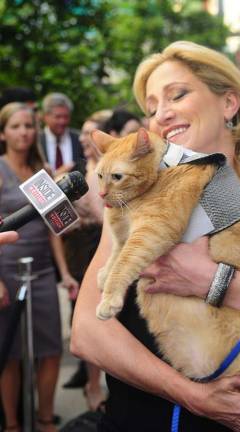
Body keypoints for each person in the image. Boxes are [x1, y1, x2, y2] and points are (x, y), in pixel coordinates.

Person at [71, 41, 240, 432]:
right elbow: (87, 332)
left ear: (229, 104)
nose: (162, 115)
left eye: (177, 95)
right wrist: (192, 396)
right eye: (151, 108)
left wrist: (210, 280)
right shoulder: (131, 204)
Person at [0, 102, 79, 432]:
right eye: (16, 126)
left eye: (28, 126)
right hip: (6, 267)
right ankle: (13, 424)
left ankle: (46, 420)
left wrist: (65, 273)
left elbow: (55, 229)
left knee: (50, 349)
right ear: (3, 132)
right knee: (12, 352)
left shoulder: (41, 170)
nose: (24, 132)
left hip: (43, 270)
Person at [62, 112, 109, 406]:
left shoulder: (111, 168)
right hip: (79, 252)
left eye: (90, 133)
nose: (83, 138)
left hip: (106, 247)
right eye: (82, 133)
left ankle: (102, 383)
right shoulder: (74, 171)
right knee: (84, 318)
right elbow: (56, 226)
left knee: (108, 318)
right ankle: (92, 383)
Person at [39, 92, 85, 178]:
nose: (62, 121)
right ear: (45, 117)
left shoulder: (80, 139)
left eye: (66, 117)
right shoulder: (36, 141)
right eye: (58, 117)